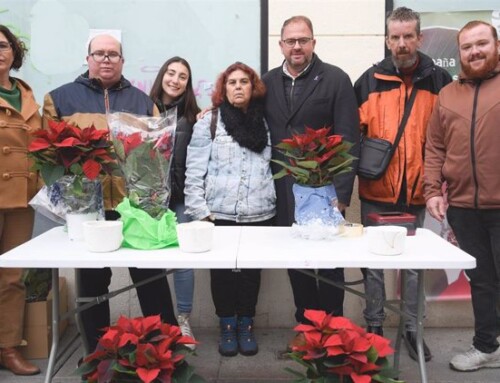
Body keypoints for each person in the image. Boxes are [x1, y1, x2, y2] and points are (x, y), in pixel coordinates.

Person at [42, 34, 177, 354]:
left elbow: (158, 154)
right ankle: (97, 352)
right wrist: (64, 203)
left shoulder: (142, 101)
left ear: (122, 61)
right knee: (91, 284)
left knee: (150, 278)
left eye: (113, 55)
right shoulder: (60, 99)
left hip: (135, 206)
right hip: (87, 209)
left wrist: (153, 200)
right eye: (99, 54)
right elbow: (49, 158)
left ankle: (167, 347)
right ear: (87, 58)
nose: (106, 59)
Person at [354, 7, 452, 362]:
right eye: (394, 37)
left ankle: (412, 329)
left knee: (413, 268)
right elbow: (353, 135)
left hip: (417, 194)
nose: (401, 43)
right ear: (386, 39)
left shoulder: (439, 81)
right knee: (374, 268)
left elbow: (447, 139)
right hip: (376, 193)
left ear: (419, 38)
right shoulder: (368, 81)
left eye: (408, 36)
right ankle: (374, 328)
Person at [262, 15, 359, 340]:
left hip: (325, 191)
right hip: (284, 190)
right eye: (290, 40)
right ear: (281, 45)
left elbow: (349, 139)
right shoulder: (268, 81)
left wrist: (342, 195)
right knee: (297, 263)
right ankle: (307, 331)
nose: (297, 46)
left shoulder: (334, 79)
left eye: (303, 40)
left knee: (329, 265)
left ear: (313, 42)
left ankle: (334, 334)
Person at [184, 62, 275, 357]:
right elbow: (194, 170)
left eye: (244, 82)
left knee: (250, 273)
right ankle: (226, 324)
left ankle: (246, 323)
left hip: (259, 212)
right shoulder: (209, 121)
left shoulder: (266, 121)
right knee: (222, 273)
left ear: (254, 87)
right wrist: (200, 211)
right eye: (232, 82)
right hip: (219, 212)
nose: (238, 86)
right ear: (223, 89)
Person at [425, 20, 500, 372]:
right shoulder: (447, 95)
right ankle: (487, 347)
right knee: (482, 280)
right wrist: (432, 192)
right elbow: (435, 148)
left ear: (496, 45)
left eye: (482, 43)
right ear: (459, 54)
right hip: (464, 208)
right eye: (467, 47)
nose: (475, 52)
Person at [149, 56, 200, 349]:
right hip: (150, 199)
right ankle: (156, 323)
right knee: (149, 262)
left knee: (184, 260)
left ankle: (183, 320)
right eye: (171, 73)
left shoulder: (194, 116)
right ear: (162, 75)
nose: (175, 80)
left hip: (181, 198)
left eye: (183, 76)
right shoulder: (143, 108)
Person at [0, 24, 41, 377]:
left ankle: (8, 347)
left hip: (21, 199)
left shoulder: (26, 94)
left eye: (3, 45)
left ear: (14, 52)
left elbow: (41, 145)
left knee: (13, 276)